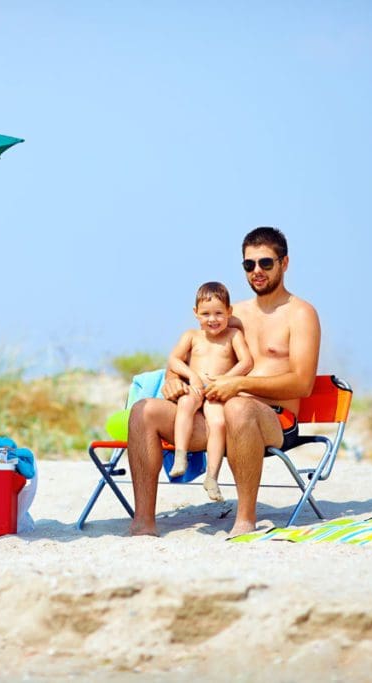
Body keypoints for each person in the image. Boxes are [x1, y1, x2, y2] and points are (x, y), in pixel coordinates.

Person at [127, 226, 321, 537]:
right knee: (143, 411)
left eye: (266, 263)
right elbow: (195, 352)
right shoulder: (232, 314)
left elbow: (302, 384)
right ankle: (143, 524)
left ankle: (245, 520)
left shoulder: (300, 314)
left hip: (273, 419)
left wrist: (239, 386)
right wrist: (173, 377)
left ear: (284, 264)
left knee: (239, 408)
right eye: (249, 264)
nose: (257, 271)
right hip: (215, 414)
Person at [165, 281, 252, 503]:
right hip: (196, 387)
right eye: (205, 314)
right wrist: (191, 375)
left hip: (216, 390)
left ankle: (212, 477)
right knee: (185, 405)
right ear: (195, 313)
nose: (212, 319)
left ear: (229, 312)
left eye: (218, 313)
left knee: (218, 423)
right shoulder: (192, 336)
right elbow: (174, 359)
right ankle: (180, 456)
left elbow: (246, 362)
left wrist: (226, 379)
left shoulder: (233, 335)